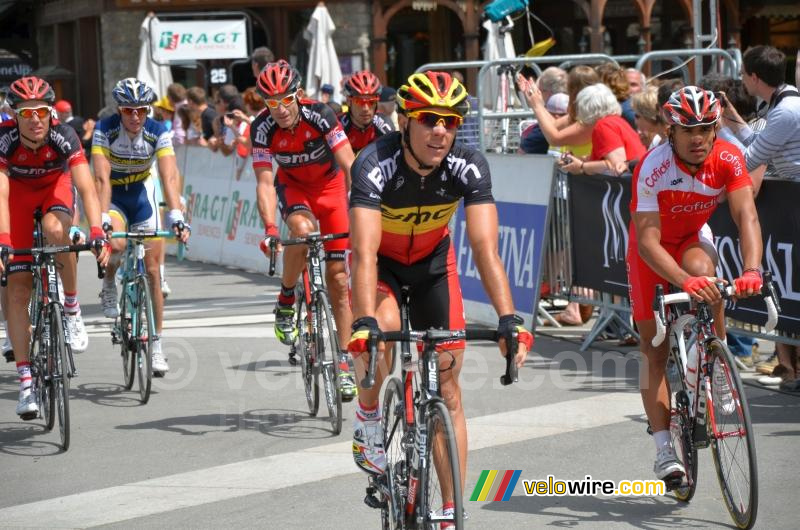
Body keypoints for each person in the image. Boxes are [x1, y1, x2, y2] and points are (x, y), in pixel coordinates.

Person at [346, 72, 534, 500]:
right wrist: (362, 322)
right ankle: (369, 413)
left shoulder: (468, 165)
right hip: (385, 268)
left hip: (434, 266)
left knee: (447, 387)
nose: (439, 131)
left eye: (450, 122)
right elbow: (365, 252)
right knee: (383, 326)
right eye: (429, 118)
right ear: (405, 121)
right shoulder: (374, 164)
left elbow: (487, 250)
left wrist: (509, 319)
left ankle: (451, 513)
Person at [628, 86, 763, 482]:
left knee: (710, 276)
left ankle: (717, 365)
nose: (698, 137)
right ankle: (664, 448)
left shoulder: (727, 157)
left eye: (706, 127)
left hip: (689, 241)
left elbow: (747, 216)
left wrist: (752, 270)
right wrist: (684, 281)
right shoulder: (652, 167)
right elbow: (649, 242)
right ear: (671, 130)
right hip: (650, 253)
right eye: (689, 129)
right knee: (654, 353)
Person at [0, 76, 110, 418]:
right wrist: (3, 242)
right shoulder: (4, 141)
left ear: (51, 114)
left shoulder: (65, 136)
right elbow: (1, 194)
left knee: (54, 230)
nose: (35, 119)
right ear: (14, 115)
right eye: (27, 112)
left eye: (42, 112)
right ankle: (26, 384)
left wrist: (96, 230)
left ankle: (73, 307)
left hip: (54, 189)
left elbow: (87, 186)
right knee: (18, 293)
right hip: (17, 197)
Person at [250, 60, 358, 400]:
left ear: (298, 94)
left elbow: (349, 163)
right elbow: (265, 183)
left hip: (331, 190)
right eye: (271, 102)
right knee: (301, 229)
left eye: (285, 99)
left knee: (339, 279)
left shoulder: (321, 114)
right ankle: (286, 299)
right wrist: (270, 227)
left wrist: (361, 207)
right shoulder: (262, 128)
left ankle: (343, 364)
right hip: (294, 189)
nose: (279, 109)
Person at [92, 78, 190, 375]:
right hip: (115, 197)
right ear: (119, 110)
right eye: (128, 110)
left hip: (141, 194)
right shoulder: (104, 129)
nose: (135, 117)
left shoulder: (157, 130)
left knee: (152, 272)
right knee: (118, 244)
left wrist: (175, 213)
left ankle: (157, 345)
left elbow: (169, 175)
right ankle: (109, 283)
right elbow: (100, 178)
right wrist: (103, 218)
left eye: (141, 110)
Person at [559, 83, 646, 176]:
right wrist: (579, 160)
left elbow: (617, 165)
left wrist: (581, 167)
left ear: (586, 108)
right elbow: (608, 159)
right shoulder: (617, 121)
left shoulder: (603, 125)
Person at [340, 71, 394, 153]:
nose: (365, 108)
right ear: (348, 101)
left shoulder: (383, 125)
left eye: (371, 102)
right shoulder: (339, 126)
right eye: (358, 101)